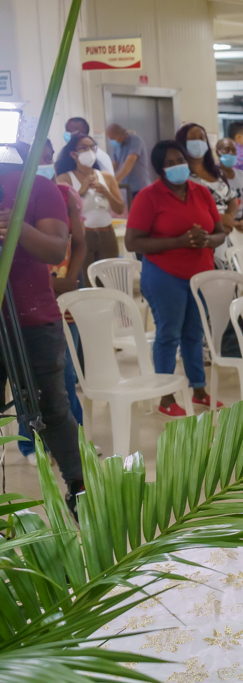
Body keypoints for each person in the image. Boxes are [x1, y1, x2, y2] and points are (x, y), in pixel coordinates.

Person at [0, 145, 84, 511]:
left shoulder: (39, 187)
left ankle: (80, 490)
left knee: (51, 408)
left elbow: (55, 250)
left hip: (31, 317)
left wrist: (16, 227)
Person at [124, 140, 226, 416]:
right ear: (159, 169)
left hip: (199, 276)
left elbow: (220, 233)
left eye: (179, 160)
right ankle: (166, 396)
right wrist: (179, 241)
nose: (176, 166)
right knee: (169, 334)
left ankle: (199, 391)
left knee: (194, 334)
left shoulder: (201, 193)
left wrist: (207, 239)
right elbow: (133, 242)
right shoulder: (148, 196)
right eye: (169, 163)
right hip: (164, 276)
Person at [16, 141, 86, 465]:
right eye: (38, 157)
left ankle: (73, 452)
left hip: (45, 308)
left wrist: (68, 279)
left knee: (58, 384)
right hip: (34, 299)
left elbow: (68, 245)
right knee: (28, 388)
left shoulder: (53, 192)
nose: (43, 161)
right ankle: (29, 444)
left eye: (47, 156)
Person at [55, 133, 125, 272]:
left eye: (92, 147)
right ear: (73, 154)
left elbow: (120, 208)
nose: (89, 151)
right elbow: (63, 211)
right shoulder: (66, 177)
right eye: (83, 147)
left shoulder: (106, 177)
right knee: (85, 278)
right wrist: (81, 191)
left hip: (107, 234)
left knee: (109, 277)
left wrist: (107, 193)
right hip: (82, 236)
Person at [176, 123, 237, 235]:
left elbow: (232, 198)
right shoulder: (181, 176)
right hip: (201, 235)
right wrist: (220, 220)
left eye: (201, 138)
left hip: (224, 234)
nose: (198, 142)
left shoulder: (217, 173)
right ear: (182, 143)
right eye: (192, 138)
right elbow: (184, 209)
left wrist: (229, 218)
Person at [216, 137, 243, 236]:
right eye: (227, 150)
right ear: (218, 152)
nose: (231, 153)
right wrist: (231, 222)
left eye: (234, 150)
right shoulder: (212, 177)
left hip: (240, 226)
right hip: (219, 227)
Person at [106, 123, 151, 200]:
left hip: (140, 187)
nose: (112, 141)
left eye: (113, 138)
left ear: (120, 135)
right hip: (127, 188)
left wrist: (116, 180)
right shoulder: (117, 145)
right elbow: (115, 164)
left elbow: (130, 162)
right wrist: (107, 178)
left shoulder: (135, 140)